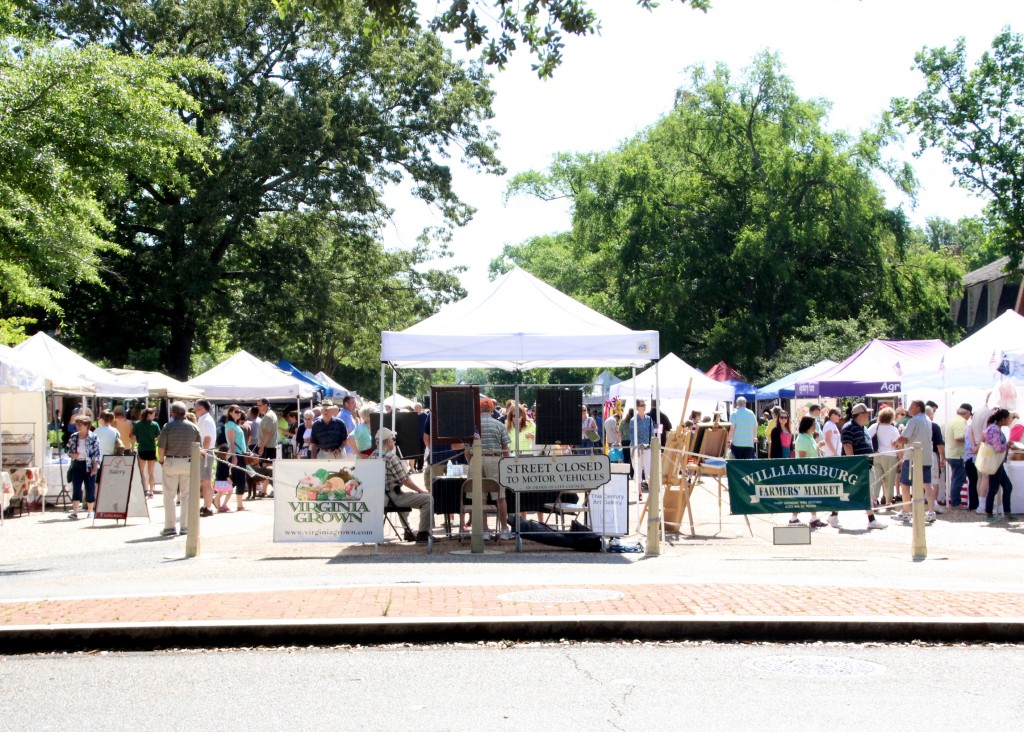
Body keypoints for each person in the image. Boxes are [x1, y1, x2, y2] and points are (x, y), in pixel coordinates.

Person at [831, 403, 886, 530]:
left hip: (865, 466)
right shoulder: (849, 427)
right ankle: (871, 520)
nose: (869, 415)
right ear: (860, 414)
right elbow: (847, 445)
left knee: (857, 492)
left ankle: (834, 515)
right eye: (867, 413)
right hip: (856, 467)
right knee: (855, 492)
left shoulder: (863, 428)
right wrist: (855, 464)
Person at [373, 427, 432, 542]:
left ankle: (407, 530)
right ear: (389, 442)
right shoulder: (391, 457)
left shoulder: (372, 456)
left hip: (377, 497)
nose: (394, 442)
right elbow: (405, 480)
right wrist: (420, 490)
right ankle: (423, 533)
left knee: (404, 495)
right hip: (390, 497)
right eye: (393, 439)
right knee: (428, 499)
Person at [466, 397, 511, 539]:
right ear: (492, 409)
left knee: (480, 497)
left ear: (478, 409)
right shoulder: (499, 425)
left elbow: (467, 450)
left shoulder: (472, 426)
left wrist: (471, 461)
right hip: (495, 458)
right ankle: (504, 529)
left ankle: (484, 530)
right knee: (500, 496)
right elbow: (506, 449)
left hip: (476, 459)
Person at [157, 401, 202, 536]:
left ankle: (170, 526)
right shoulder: (194, 427)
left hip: (171, 461)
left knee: (169, 496)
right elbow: (198, 447)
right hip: (188, 462)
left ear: (173, 413)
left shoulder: (168, 427)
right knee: (186, 496)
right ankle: (185, 527)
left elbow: (161, 447)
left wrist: (161, 460)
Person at [893, 400, 935, 523]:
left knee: (904, 483)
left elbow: (904, 438)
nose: (909, 409)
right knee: (927, 483)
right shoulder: (927, 419)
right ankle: (931, 511)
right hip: (926, 455)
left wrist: (896, 443)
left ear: (918, 408)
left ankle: (906, 511)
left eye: (911, 407)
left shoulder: (914, 420)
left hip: (912, 456)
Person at [982, 409, 1019, 520]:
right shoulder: (994, 429)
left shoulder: (995, 428)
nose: (1009, 420)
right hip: (995, 462)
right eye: (1008, 418)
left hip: (998, 462)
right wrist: (1007, 445)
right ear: (1002, 419)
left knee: (1007, 487)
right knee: (994, 488)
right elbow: (998, 448)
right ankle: (989, 513)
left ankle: (1006, 513)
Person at [790, 415, 826, 529]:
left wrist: (819, 446)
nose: (815, 427)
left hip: (811, 471)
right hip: (804, 472)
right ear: (807, 426)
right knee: (801, 495)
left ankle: (813, 518)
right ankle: (793, 518)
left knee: (811, 495)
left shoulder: (809, 437)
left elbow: (812, 450)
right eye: (813, 425)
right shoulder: (802, 438)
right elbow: (801, 458)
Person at [65, 415, 101, 520]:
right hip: (77, 464)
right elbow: (67, 450)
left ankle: (90, 511)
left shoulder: (93, 437)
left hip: (89, 464)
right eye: (77, 424)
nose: (78, 427)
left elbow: (97, 453)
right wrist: (72, 455)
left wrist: (95, 467)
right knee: (76, 487)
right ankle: (75, 511)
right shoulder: (74, 436)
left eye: (80, 425)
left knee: (90, 487)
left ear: (87, 425)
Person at [867, 406, 901, 509]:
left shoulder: (875, 426)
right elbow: (897, 445)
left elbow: (867, 436)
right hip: (890, 455)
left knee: (877, 478)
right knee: (889, 480)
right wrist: (900, 459)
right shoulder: (893, 429)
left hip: (877, 455)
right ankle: (888, 501)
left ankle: (874, 499)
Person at [221, 405, 248, 512]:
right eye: (236, 411)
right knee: (240, 479)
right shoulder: (230, 425)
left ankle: (220, 499)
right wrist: (234, 456)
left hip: (240, 454)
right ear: (230, 413)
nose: (239, 413)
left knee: (236, 479)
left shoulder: (234, 425)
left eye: (240, 411)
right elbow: (231, 442)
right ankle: (239, 505)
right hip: (236, 455)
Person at [944, 404, 971, 509]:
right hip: (957, 454)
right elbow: (959, 438)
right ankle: (955, 502)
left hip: (952, 453)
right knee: (959, 478)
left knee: (956, 478)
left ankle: (955, 501)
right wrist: (970, 436)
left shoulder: (953, 420)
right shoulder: (960, 422)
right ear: (967, 413)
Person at [195, 399, 218, 517]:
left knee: (206, 481)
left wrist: (203, 452)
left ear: (202, 408)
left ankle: (208, 507)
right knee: (204, 481)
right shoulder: (203, 419)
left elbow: (207, 438)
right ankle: (206, 505)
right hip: (205, 452)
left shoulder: (206, 420)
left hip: (206, 452)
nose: (195, 410)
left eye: (196, 407)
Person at [133, 407, 161, 499]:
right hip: (151, 449)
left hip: (142, 449)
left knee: (141, 471)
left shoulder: (137, 424)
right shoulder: (155, 425)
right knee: (151, 472)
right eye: (153, 414)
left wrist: (133, 447)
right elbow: (159, 437)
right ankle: (151, 491)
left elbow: (133, 436)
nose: (154, 416)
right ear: (149, 415)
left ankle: (145, 489)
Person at [925, 405, 946, 510]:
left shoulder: (915, 424)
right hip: (931, 454)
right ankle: (934, 503)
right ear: (929, 414)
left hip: (917, 455)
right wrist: (943, 457)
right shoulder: (934, 426)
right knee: (934, 480)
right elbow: (939, 444)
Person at [632, 400, 655, 497]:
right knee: (637, 469)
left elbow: (652, 433)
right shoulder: (633, 420)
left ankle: (651, 492)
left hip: (647, 447)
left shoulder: (649, 419)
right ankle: (639, 492)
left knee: (648, 468)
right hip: (637, 447)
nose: (644, 407)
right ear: (637, 407)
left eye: (644, 405)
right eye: (641, 405)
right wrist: (636, 448)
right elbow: (632, 435)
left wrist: (653, 444)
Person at [619, 408, 634, 480]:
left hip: (624, 441)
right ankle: (632, 473)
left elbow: (619, 432)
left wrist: (618, 441)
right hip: (633, 441)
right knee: (633, 458)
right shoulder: (635, 421)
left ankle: (627, 473)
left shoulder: (623, 421)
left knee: (626, 458)